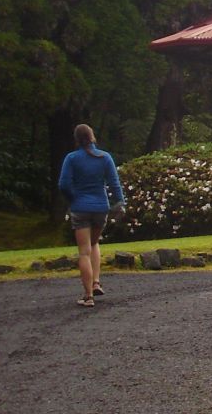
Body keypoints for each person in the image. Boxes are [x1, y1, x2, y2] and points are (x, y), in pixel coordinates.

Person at [58, 124, 125, 308]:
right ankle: (96, 282)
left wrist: (73, 198)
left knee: (84, 252)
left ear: (77, 139)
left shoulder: (72, 158)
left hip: (80, 207)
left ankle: (88, 296)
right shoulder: (105, 157)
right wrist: (120, 203)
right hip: (100, 208)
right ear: (92, 137)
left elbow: (63, 184)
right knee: (94, 243)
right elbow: (114, 183)